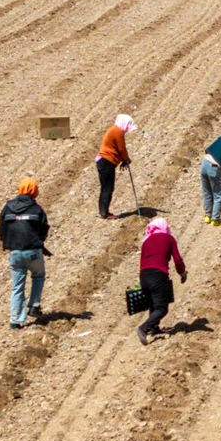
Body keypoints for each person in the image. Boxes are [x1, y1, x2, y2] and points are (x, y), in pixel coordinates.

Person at [0, 178, 50, 330]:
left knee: (17, 287)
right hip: (33, 251)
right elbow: (44, 229)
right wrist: (39, 242)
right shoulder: (37, 209)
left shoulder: (7, 208)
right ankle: (34, 305)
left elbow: (2, 231)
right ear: (34, 191)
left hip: (15, 253)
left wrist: (9, 243)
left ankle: (15, 321)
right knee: (38, 275)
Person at [136, 217, 187, 345]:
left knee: (153, 303)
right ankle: (144, 328)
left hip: (143, 275)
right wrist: (182, 273)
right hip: (158, 275)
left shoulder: (146, 241)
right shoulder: (168, 239)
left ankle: (154, 328)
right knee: (162, 308)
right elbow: (178, 260)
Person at [95, 113, 137, 219]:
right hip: (107, 162)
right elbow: (121, 148)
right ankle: (104, 213)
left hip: (103, 161)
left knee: (105, 187)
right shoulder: (117, 131)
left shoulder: (114, 129)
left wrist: (124, 160)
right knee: (107, 188)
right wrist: (126, 159)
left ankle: (103, 211)